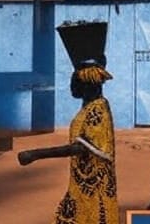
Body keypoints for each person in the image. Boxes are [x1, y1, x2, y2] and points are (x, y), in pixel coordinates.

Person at [18, 21, 119, 224]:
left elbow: (80, 149)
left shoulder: (98, 110)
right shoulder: (87, 109)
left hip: (95, 187)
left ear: (87, 82)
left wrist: (37, 154)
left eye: (76, 81)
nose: (72, 86)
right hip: (81, 183)